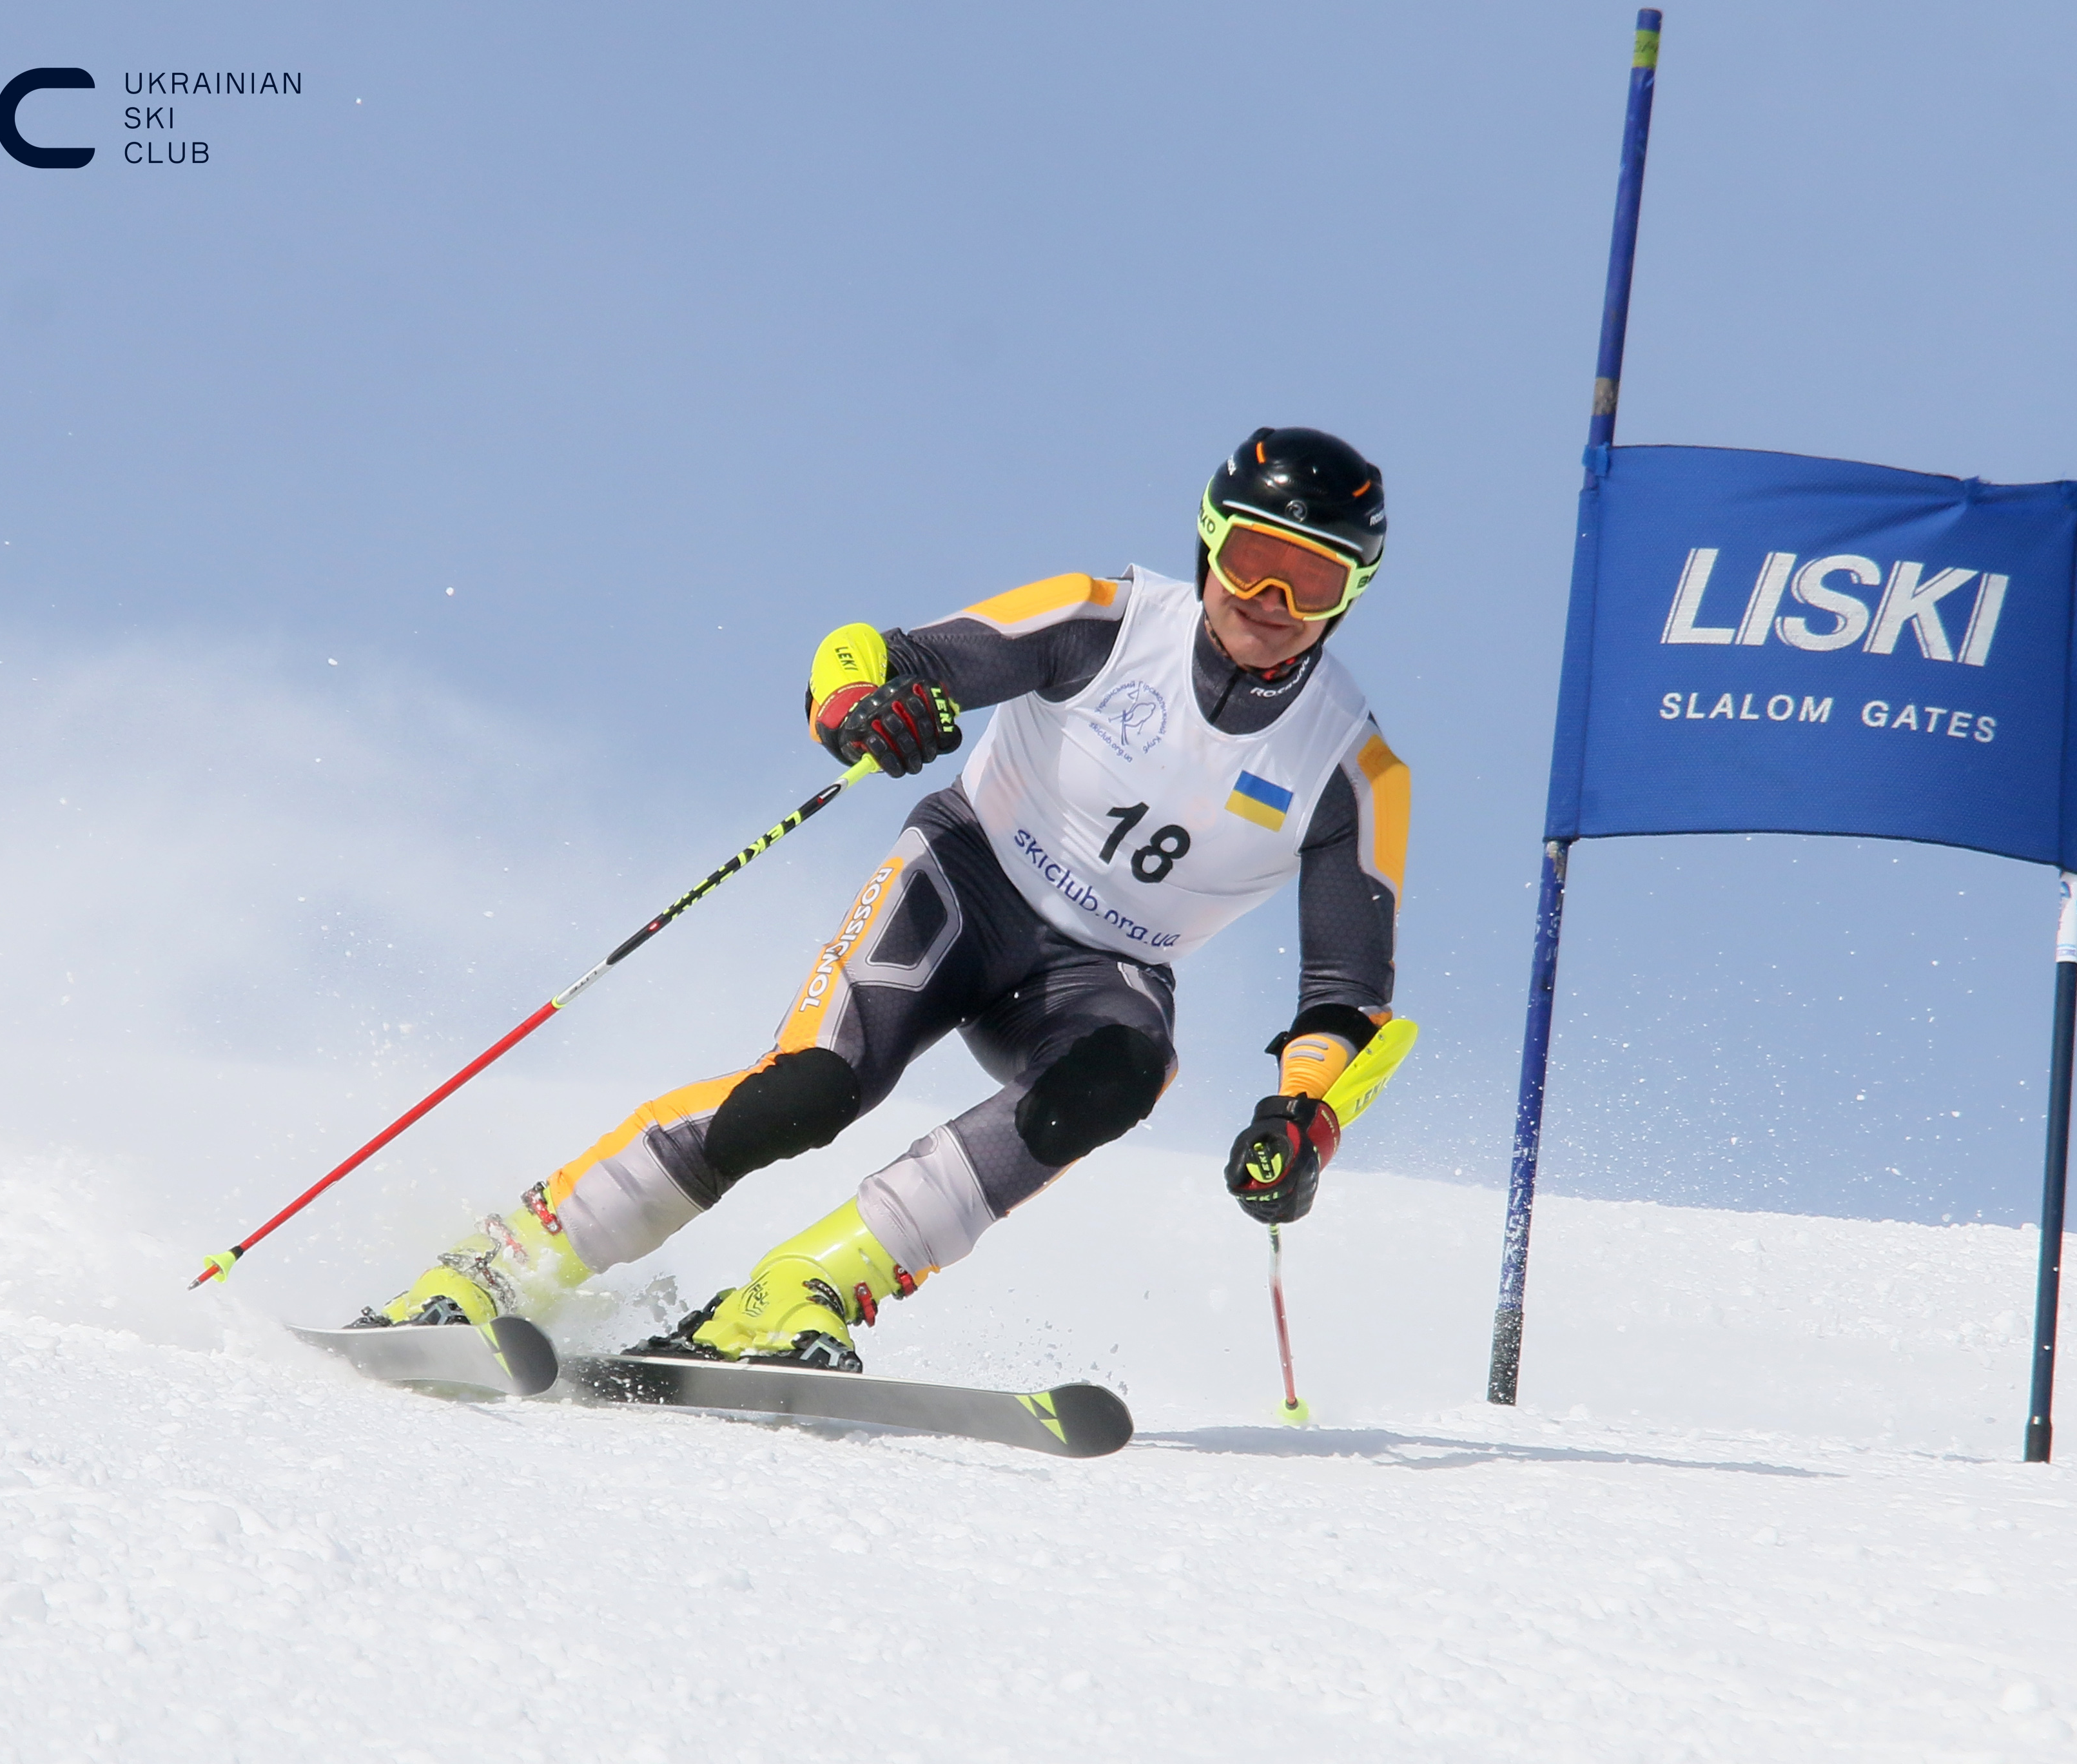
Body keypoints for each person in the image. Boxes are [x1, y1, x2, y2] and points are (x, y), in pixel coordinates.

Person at [355, 426, 1412, 1370]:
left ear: (1350, 595)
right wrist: (865, 708)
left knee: (1123, 1075)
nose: (1270, 604)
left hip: (1104, 971)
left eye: (1310, 582)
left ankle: (796, 1293)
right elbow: (868, 654)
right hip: (963, 885)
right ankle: (498, 1268)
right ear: (1209, 545)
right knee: (809, 1091)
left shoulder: (1353, 773)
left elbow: (1345, 994)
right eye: (1254, 562)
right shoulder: (1101, 620)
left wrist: (1304, 1114)